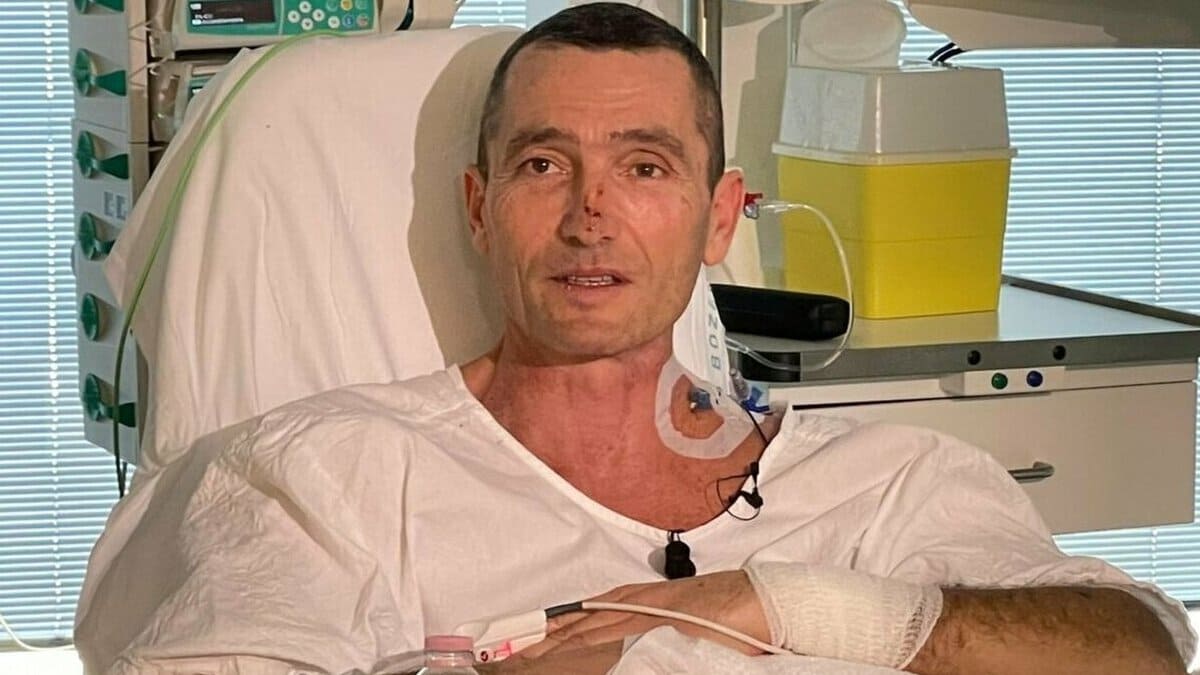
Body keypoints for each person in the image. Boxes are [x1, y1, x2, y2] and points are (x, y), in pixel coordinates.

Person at [75, 3, 1195, 674]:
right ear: (480, 209)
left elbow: (1133, 651)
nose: (590, 214)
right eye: (543, 163)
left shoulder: (890, 486)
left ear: (718, 218)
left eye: (645, 166)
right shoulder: (324, 477)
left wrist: (769, 603)